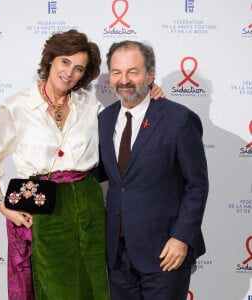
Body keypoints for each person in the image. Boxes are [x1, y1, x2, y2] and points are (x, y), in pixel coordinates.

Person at [0, 30, 164, 300]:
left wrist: (147, 94)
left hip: (88, 200)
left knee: (94, 281)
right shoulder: (17, 106)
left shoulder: (88, 103)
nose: (70, 73)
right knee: (53, 285)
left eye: (79, 68)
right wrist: (2, 204)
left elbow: (123, 124)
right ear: (50, 59)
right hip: (40, 202)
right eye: (65, 62)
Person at [98, 40, 209, 300]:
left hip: (165, 251)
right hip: (117, 254)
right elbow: (105, 176)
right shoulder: (103, 120)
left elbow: (197, 185)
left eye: (132, 72)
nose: (124, 80)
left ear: (150, 74)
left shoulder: (179, 119)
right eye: (116, 72)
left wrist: (181, 238)